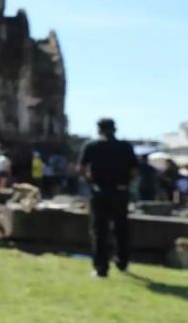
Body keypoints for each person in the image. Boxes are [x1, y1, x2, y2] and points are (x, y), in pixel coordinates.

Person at [78, 118, 137, 278]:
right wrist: (124, 183)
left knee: (99, 230)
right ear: (114, 129)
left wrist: (91, 183)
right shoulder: (125, 146)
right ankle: (122, 262)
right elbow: (134, 171)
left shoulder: (91, 146)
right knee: (121, 228)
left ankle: (101, 268)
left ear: (99, 130)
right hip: (120, 190)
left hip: (99, 191)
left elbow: (82, 169)